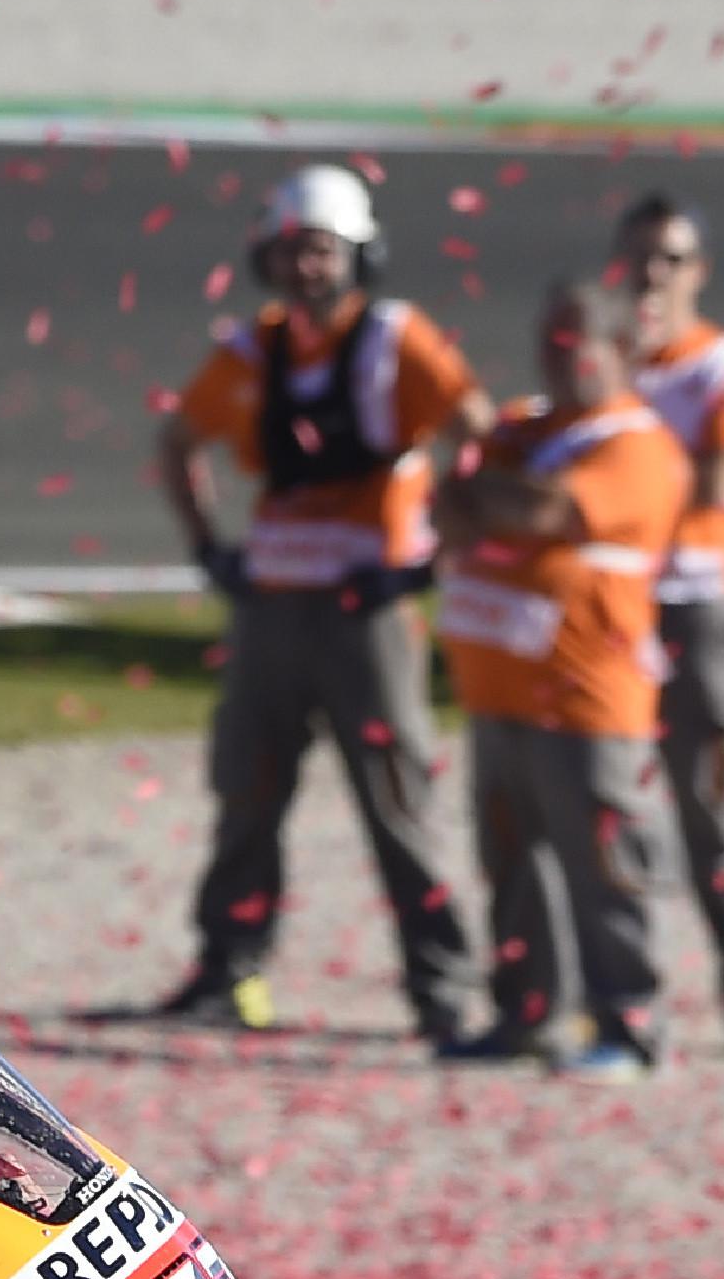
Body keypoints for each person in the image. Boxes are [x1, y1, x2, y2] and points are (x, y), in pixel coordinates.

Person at [145, 163, 493, 1039]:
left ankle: (440, 983)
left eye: (322, 251)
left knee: (397, 798)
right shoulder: (250, 352)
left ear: (358, 254)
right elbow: (179, 439)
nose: (305, 269)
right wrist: (209, 549)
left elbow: (480, 438)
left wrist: (428, 560)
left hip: (364, 608)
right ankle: (230, 967)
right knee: (247, 793)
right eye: (292, 251)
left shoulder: (396, 343)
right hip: (271, 602)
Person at [431, 278, 692, 1079]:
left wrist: (492, 497)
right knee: (512, 864)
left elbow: (545, 514)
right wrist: (489, 495)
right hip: (499, 692)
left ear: (621, 351)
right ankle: (527, 1014)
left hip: (588, 699)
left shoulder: (638, 445)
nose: (555, 352)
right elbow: (452, 501)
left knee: (605, 867)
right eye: (549, 335)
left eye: (574, 338)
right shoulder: (524, 428)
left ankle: (630, 1022)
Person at [608, 195, 724, 1061]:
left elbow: (722, 476)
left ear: (699, 271)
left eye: (672, 259)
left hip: (696, 607)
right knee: (600, 808)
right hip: (610, 615)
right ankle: (614, 993)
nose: (654, 275)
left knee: (713, 810)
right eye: (641, 257)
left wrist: (601, 501)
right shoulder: (603, 367)